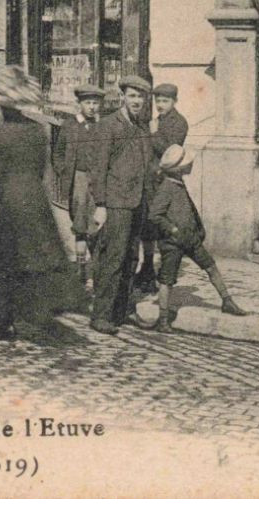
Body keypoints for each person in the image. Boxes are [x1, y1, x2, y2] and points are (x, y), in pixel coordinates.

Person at [0, 65, 83, 341]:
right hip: (35, 201)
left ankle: (3, 321)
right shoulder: (38, 132)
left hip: (10, 204)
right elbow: (41, 169)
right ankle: (35, 313)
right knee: (35, 257)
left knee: (2, 262)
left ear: (0, 108)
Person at [147, 144, 247, 331]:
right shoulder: (167, 187)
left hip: (190, 238)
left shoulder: (178, 183)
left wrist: (197, 230)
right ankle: (162, 319)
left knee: (210, 266)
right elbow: (154, 215)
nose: (190, 165)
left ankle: (227, 301)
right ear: (177, 169)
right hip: (173, 243)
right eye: (186, 163)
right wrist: (173, 230)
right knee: (167, 279)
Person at [88, 75, 156, 335]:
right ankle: (101, 315)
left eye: (141, 97)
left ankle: (121, 311)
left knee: (131, 258)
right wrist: (101, 203)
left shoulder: (141, 127)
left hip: (137, 203)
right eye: (132, 96)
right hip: (116, 203)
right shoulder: (109, 125)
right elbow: (99, 167)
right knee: (113, 258)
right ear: (123, 97)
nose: (137, 101)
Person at [50, 83, 107, 303]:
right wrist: (65, 173)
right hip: (78, 180)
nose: (92, 107)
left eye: (95, 103)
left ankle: (96, 274)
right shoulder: (70, 126)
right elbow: (58, 153)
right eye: (88, 103)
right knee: (81, 226)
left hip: (98, 182)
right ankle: (82, 274)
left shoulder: (102, 126)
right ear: (80, 104)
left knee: (98, 226)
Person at [136, 82, 189, 294]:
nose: (160, 104)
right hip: (151, 181)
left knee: (161, 227)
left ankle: (161, 275)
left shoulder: (179, 123)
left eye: (165, 101)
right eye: (157, 100)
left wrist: (154, 134)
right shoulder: (157, 121)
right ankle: (147, 267)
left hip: (166, 182)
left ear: (174, 101)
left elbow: (171, 152)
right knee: (148, 227)